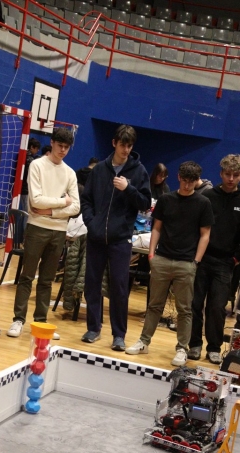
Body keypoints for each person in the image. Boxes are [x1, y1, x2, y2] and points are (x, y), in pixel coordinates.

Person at [126, 161, 214, 366]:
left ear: (197, 181)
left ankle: (182, 348)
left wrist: (196, 261)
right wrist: (151, 255)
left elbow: (205, 234)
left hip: (187, 263)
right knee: (154, 305)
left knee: (185, 309)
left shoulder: (203, 203)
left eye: (191, 181)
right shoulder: (166, 199)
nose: (187, 185)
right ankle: (144, 341)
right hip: (162, 259)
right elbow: (156, 228)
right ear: (178, 177)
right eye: (184, 180)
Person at [81, 124, 151, 351]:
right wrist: (91, 223)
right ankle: (93, 328)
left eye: (129, 146)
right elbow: (86, 200)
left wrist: (128, 188)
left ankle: (119, 335)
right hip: (96, 237)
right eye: (122, 145)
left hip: (121, 239)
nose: (126, 150)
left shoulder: (139, 172)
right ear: (114, 143)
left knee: (119, 287)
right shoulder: (99, 170)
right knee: (92, 284)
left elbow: (145, 203)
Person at [7, 127, 80, 339]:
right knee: (27, 276)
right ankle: (18, 320)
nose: (63, 150)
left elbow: (76, 207)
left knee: (47, 280)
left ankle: (40, 322)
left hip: (59, 231)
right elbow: (36, 200)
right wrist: (63, 202)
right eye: (60, 146)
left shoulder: (70, 173)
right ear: (52, 143)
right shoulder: (37, 165)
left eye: (67, 147)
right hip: (37, 227)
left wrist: (50, 211)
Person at [188, 155, 240, 364]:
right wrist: (195, 256)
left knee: (217, 307)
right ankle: (194, 345)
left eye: (235, 175)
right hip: (203, 258)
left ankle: (214, 348)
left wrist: (236, 258)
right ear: (221, 174)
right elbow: (196, 227)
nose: (231, 179)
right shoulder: (208, 196)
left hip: (226, 262)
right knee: (195, 303)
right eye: (227, 174)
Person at [20, 138, 41, 213]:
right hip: (25, 189)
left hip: (23, 188)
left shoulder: (24, 156)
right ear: (32, 147)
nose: (37, 151)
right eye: (37, 148)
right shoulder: (30, 160)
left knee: (26, 210)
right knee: (27, 211)